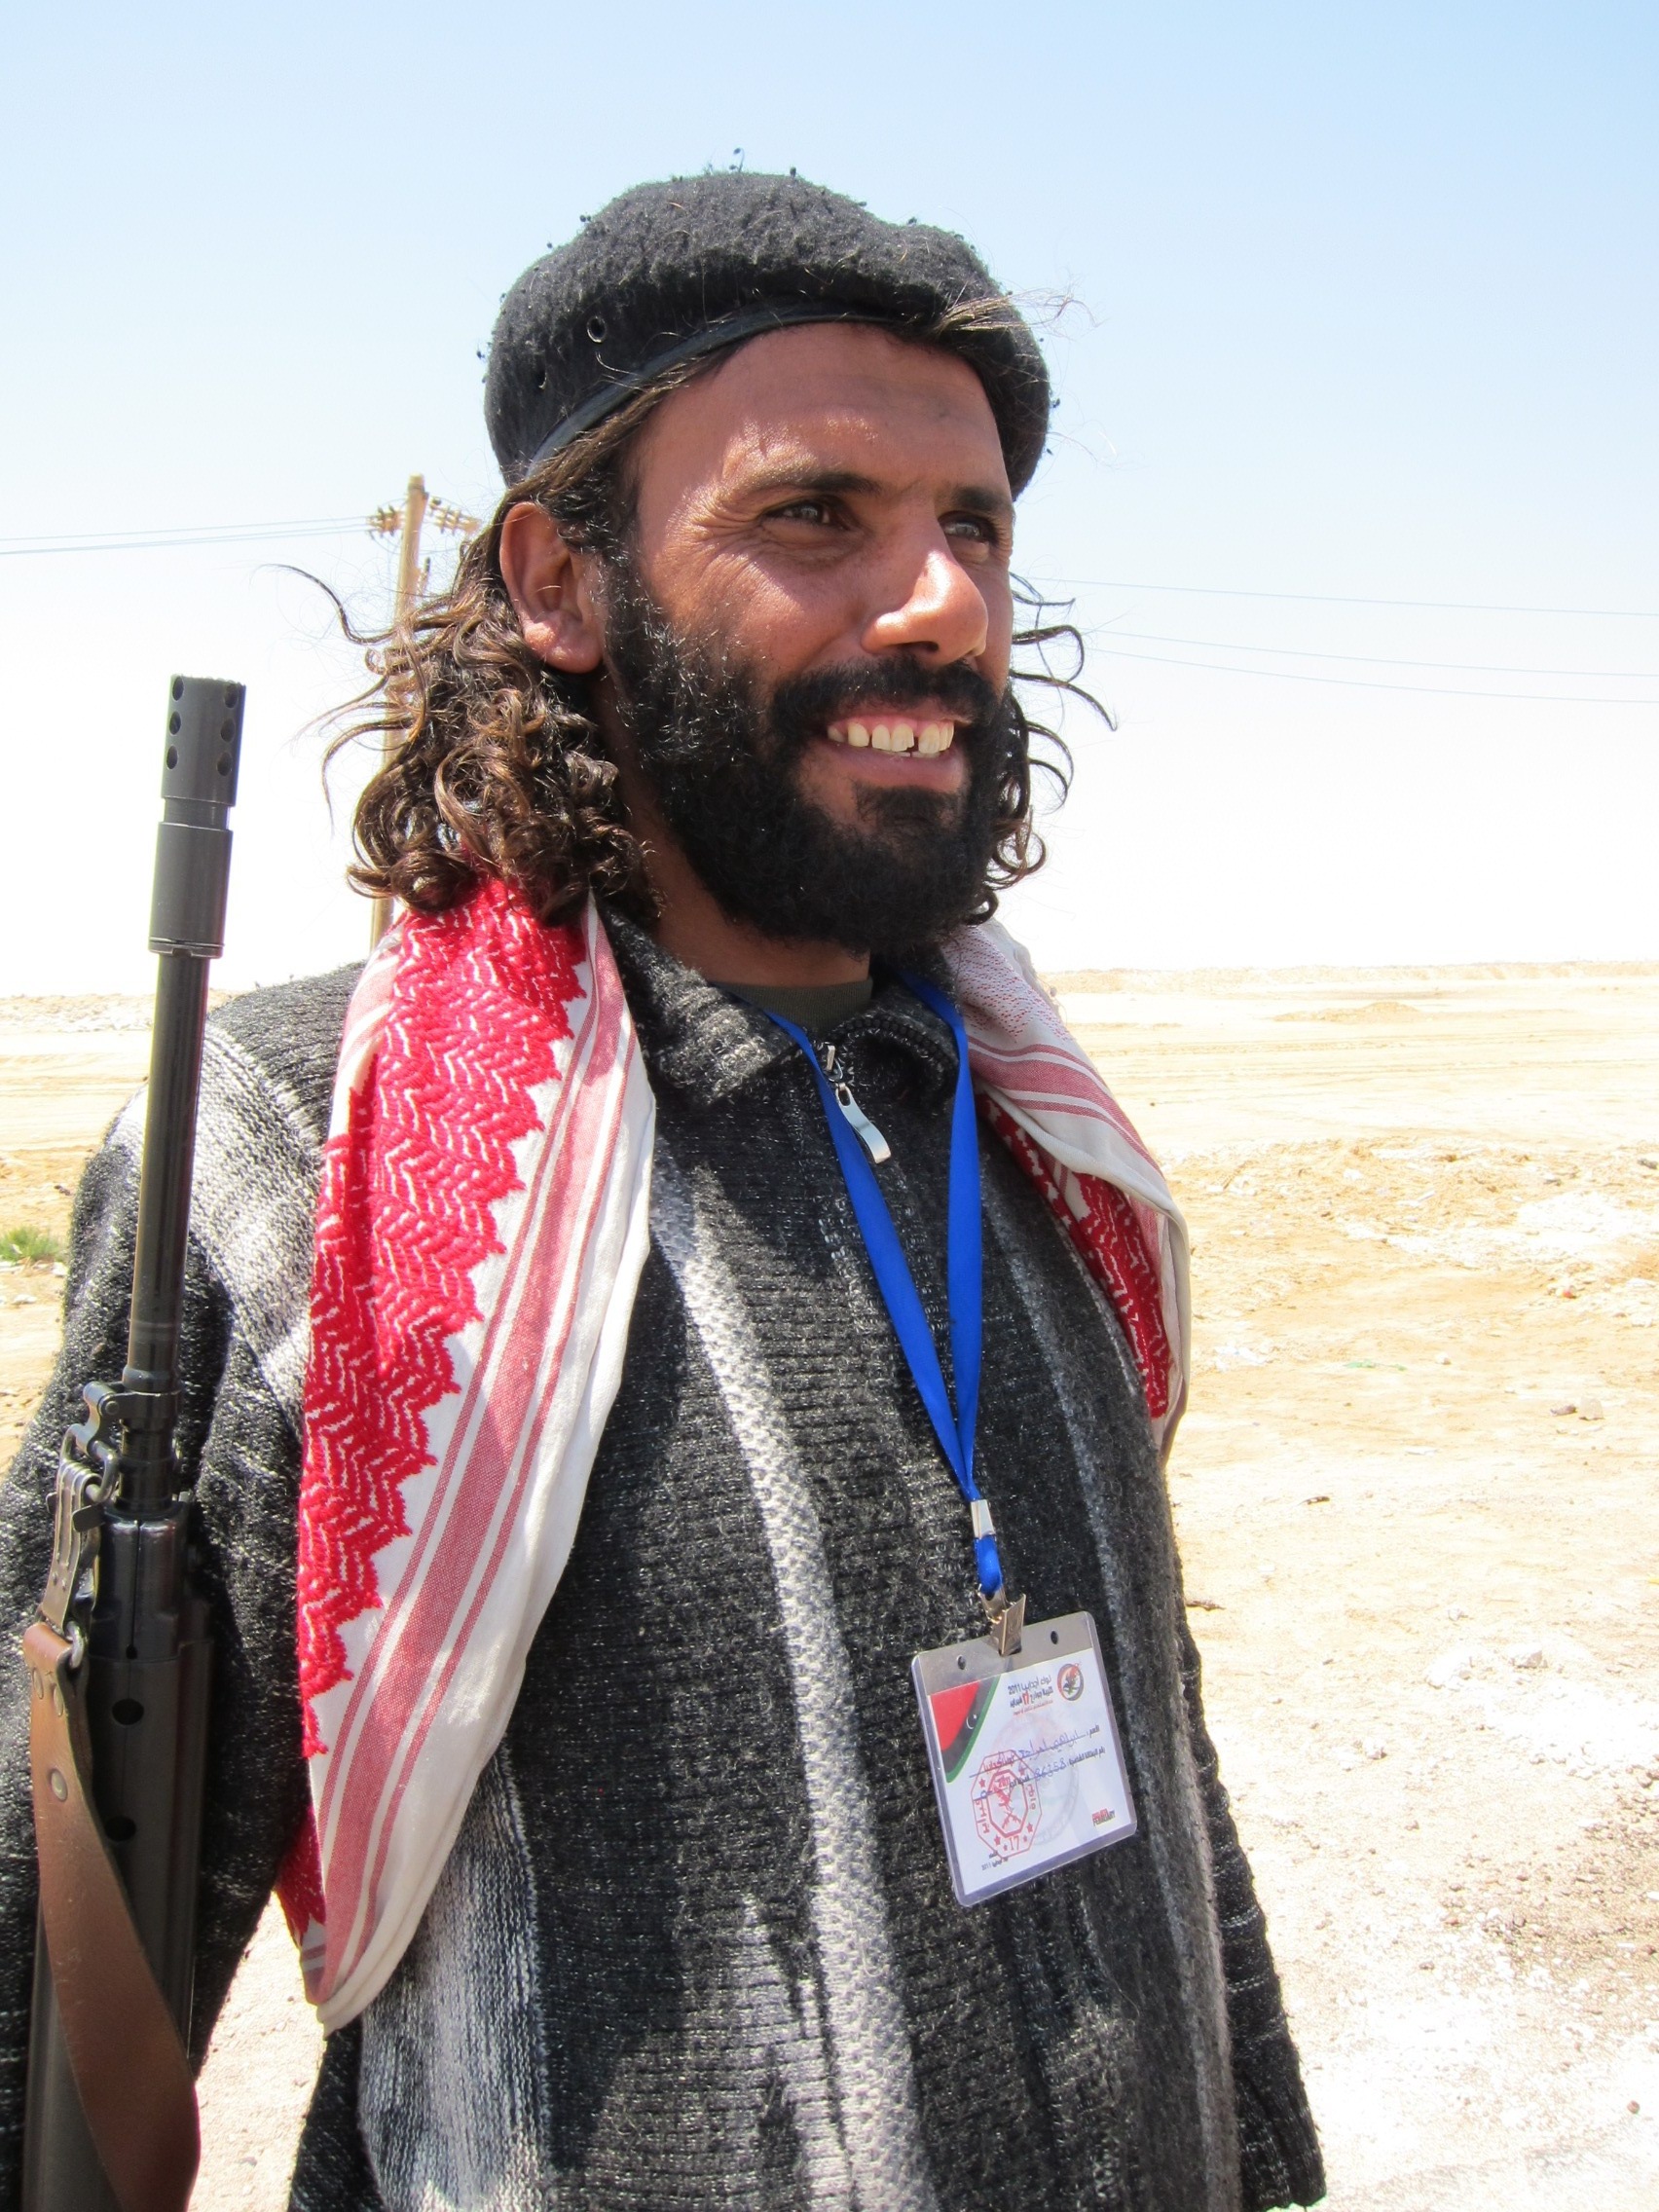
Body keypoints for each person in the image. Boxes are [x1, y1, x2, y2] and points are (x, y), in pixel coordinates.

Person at [0, 172, 1324, 2212]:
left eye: (972, 526)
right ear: (561, 581)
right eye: (820, 516)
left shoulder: (1031, 1133)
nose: (940, 600)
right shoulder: (298, 1155)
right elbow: (56, 1970)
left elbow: (1160, 1763)